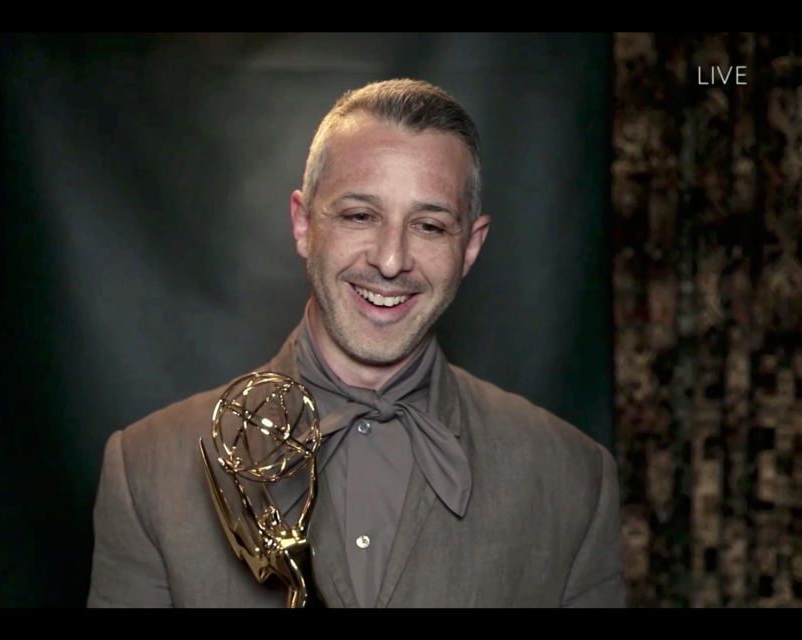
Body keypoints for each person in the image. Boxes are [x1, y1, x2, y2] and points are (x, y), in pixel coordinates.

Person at [87, 78, 627, 608]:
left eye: (430, 226)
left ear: (471, 246)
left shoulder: (574, 480)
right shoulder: (146, 470)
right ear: (303, 225)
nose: (391, 260)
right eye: (360, 216)